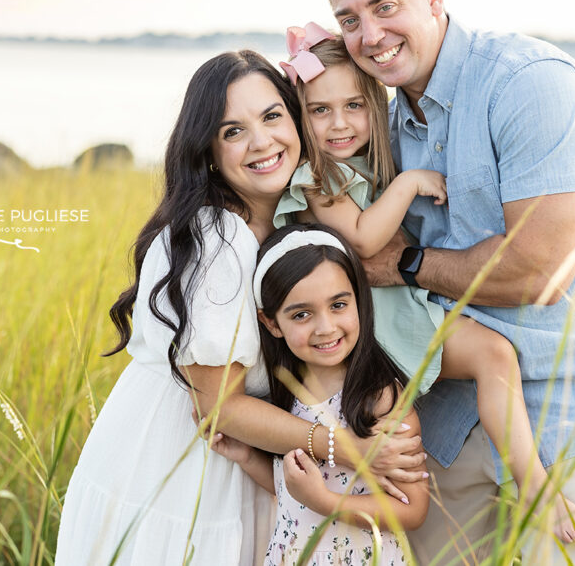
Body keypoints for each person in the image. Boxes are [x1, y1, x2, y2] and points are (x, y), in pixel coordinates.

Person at [325, 0, 575, 564]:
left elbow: (540, 271)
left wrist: (405, 264)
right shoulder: (382, 126)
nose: (369, 34)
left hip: (567, 409)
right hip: (452, 411)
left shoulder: (529, 82)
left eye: (384, 6)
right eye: (350, 20)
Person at [55, 50, 424, 565]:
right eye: (232, 131)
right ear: (207, 150)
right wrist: (349, 449)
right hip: (178, 469)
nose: (261, 142)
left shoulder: (287, 228)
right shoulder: (217, 239)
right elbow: (218, 407)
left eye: (272, 117)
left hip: (247, 462)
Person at [275, 25, 575, 543]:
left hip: (391, 305)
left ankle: (529, 483)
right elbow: (361, 239)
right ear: (299, 115)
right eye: (319, 110)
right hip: (371, 321)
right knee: (490, 356)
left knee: (491, 357)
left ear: (376, 107)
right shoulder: (318, 176)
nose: (340, 124)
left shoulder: (360, 162)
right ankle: (534, 484)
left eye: (355, 105)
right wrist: (408, 184)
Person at [211, 223, 429, 565]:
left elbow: (413, 510)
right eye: (301, 314)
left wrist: (326, 503)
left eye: (338, 305)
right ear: (271, 324)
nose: (326, 327)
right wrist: (249, 458)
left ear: (358, 299)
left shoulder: (378, 397)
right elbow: (298, 493)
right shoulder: (283, 395)